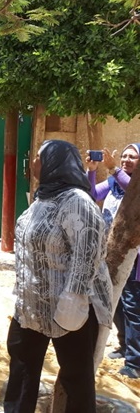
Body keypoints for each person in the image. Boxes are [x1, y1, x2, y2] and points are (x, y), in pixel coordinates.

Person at [3, 140, 112, 412]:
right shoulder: (42, 198)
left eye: (38, 157)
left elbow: (86, 256)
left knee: (77, 380)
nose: (34, 162)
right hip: (32, 308)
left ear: (53, 162)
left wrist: (71, 306)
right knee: (21, 370)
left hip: (71, 310)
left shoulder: (77, 202)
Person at [86, 143, 140, 377]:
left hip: (133, 259)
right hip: (111, 254)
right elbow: (90, 195)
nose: (126, 160)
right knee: (113, 304)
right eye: (124, 156)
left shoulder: (130, 183)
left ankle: (135, 362)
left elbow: (134, 191)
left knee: (132, 307)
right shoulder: (113, 183)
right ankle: (124, 345)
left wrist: (114, 168)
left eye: (132, 157)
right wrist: (92, 171)